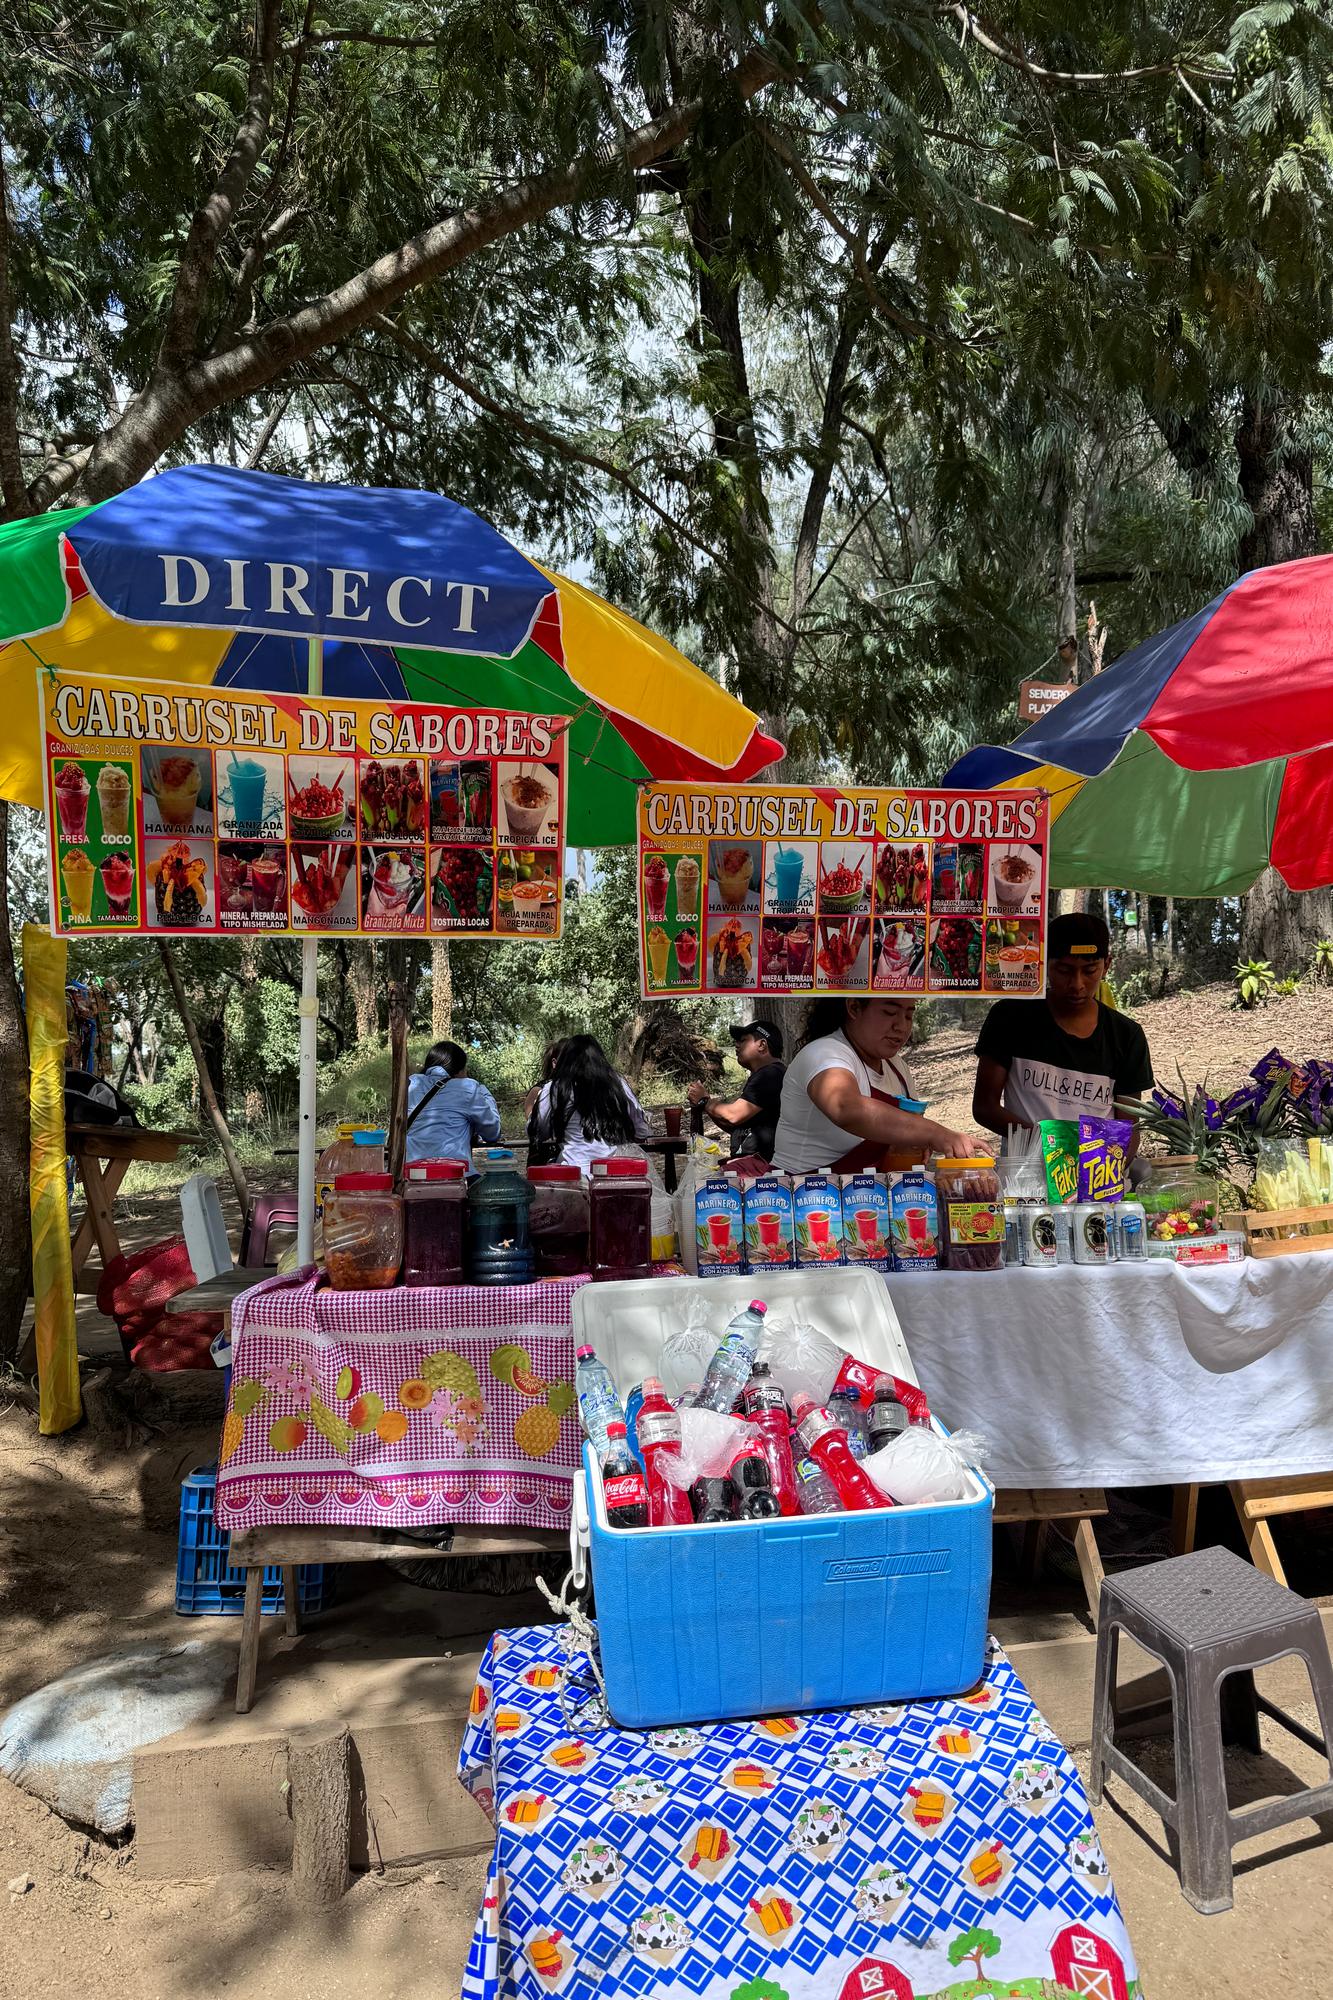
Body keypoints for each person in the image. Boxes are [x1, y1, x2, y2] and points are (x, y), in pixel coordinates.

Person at [972, 911, 1153, 1138]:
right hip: (1025, 1172)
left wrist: (1103, 1167)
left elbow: (1128, 1130)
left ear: (1106, 965)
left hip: (1094, 1170)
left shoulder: (1127, 1036)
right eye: (1064, 971)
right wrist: (1053, 1146)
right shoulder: (1010, 1018)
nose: (1077, 984)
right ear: (1045, 963)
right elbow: (984, 1107)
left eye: (1089, 971)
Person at [772, 997, 970, 1174]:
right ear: (854, 1008)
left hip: (871, 1201)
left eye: (909, 1016)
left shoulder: (898, 1068)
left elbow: (906, 1142)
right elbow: (846, 1108)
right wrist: (935, 1133)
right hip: (803, 1201)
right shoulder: (823, 1053)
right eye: (889, 1012)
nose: (901, 1026)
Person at [529, 1033, 651, 1172]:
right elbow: (642, 1130)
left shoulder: (555, 1088)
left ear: (566, 1061)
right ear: (600, 1059)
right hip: (614, 1172)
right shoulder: (618, 1084)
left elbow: (537, 1130)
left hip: (573, 1172)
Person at [686, 1020, 787, 1163]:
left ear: (762, 1045)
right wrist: (705, 1103)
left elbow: (733, 1115)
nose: (737, 1045)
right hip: (756, 1165)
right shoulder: (765, 1075)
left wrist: (705, 1101)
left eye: (743, 1040)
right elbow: (736, 1127)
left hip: (764, 1171)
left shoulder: (771, 1074)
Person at [404, 1040, 502, 1164]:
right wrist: (485, 1094)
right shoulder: (467, 1087)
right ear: (459, 1070)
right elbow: (492, 1133)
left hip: (412, 1172)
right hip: (455, 1172)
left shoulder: (411, 1084)